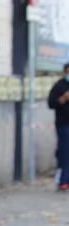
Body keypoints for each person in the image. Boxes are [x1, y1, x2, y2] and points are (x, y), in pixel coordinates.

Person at [46, 62, 69, 190]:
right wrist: (63, 99)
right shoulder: (59, 86)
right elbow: (50, 104)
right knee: (65, 152)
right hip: (64, 124)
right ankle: (63, 180)